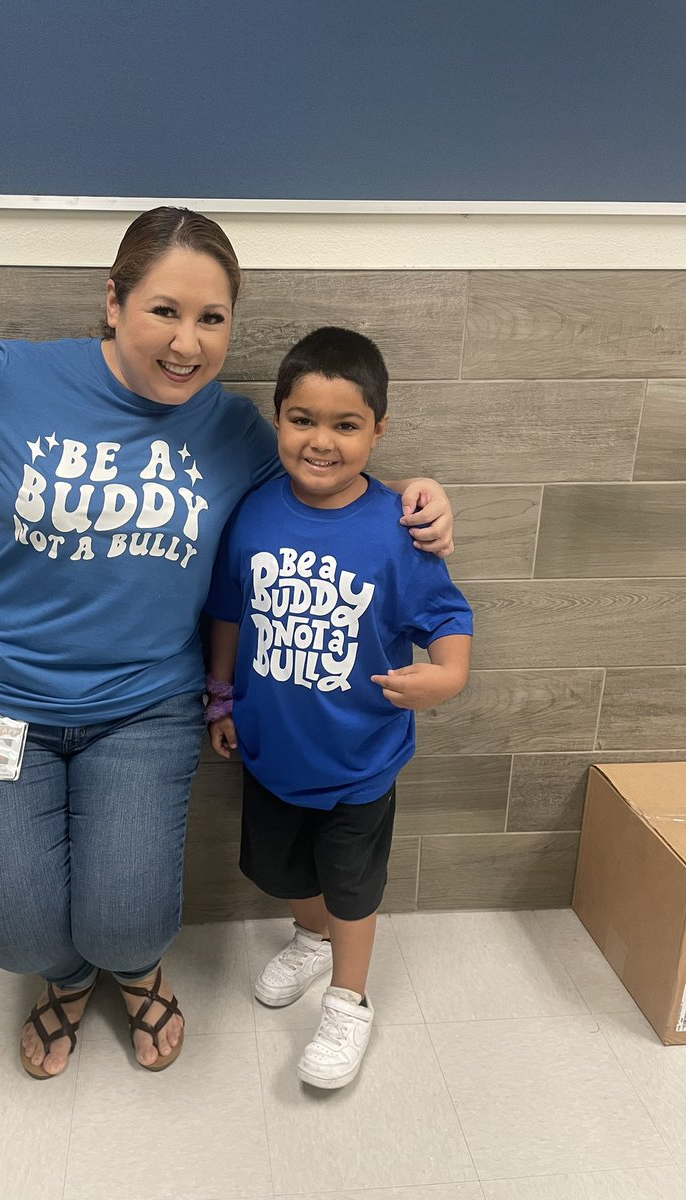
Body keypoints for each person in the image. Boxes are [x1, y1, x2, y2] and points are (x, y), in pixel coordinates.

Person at [0, 209, 456, 1081]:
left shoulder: (234, 431)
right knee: (7, 934)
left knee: (131, 925)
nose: (188, 343)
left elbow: (334, 475)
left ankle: (133, 968)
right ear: (113, 303)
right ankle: (68, 977)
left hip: (143, 710)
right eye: (164, 311)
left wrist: (420, 489)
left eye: (212, 318)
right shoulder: (14, 377)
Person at [205, 326, 472, 1089]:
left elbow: (447, 616)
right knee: (287, 867)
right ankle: (311, 939)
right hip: (271, 750)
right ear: (278, 419)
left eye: (345, 424)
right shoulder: (253, 514)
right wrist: (220, 697)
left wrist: (448, 676)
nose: (321, 441)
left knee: (352, 885)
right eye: (303, 420)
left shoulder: (397, 529)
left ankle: (350, 1000)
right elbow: (227, 609)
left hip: (361, 758)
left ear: (377, 430)